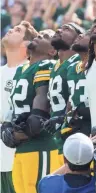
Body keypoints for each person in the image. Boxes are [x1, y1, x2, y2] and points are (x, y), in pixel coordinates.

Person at [1, 28, 61, 193]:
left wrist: (19, 133)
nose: (40, 35)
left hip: (41, 145)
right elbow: (12, 107)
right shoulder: (22, 69)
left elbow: (41, 111)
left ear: (52, 50)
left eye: (47, 36)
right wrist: (7, 127)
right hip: (22, 147)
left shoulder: (47, 65)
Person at [0, 21, 35, 193]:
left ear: (26, 44)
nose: (10, 29)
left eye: (17, 30)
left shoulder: (29, 71)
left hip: (17, 153)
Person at [43, 23, 84, 156]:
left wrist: (64, 117)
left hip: (75, 132)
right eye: (60, 28)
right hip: (59, 135)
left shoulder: (78, 61)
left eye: (66, 29)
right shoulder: (56, 66)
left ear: (78, 38)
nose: (59, 30)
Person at [62, 31, 93, 139]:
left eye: (86, 34)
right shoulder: (71, 67)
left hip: (94, 125)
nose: (80, 35)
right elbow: (71, 98)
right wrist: (67, 118)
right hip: (76, 125)